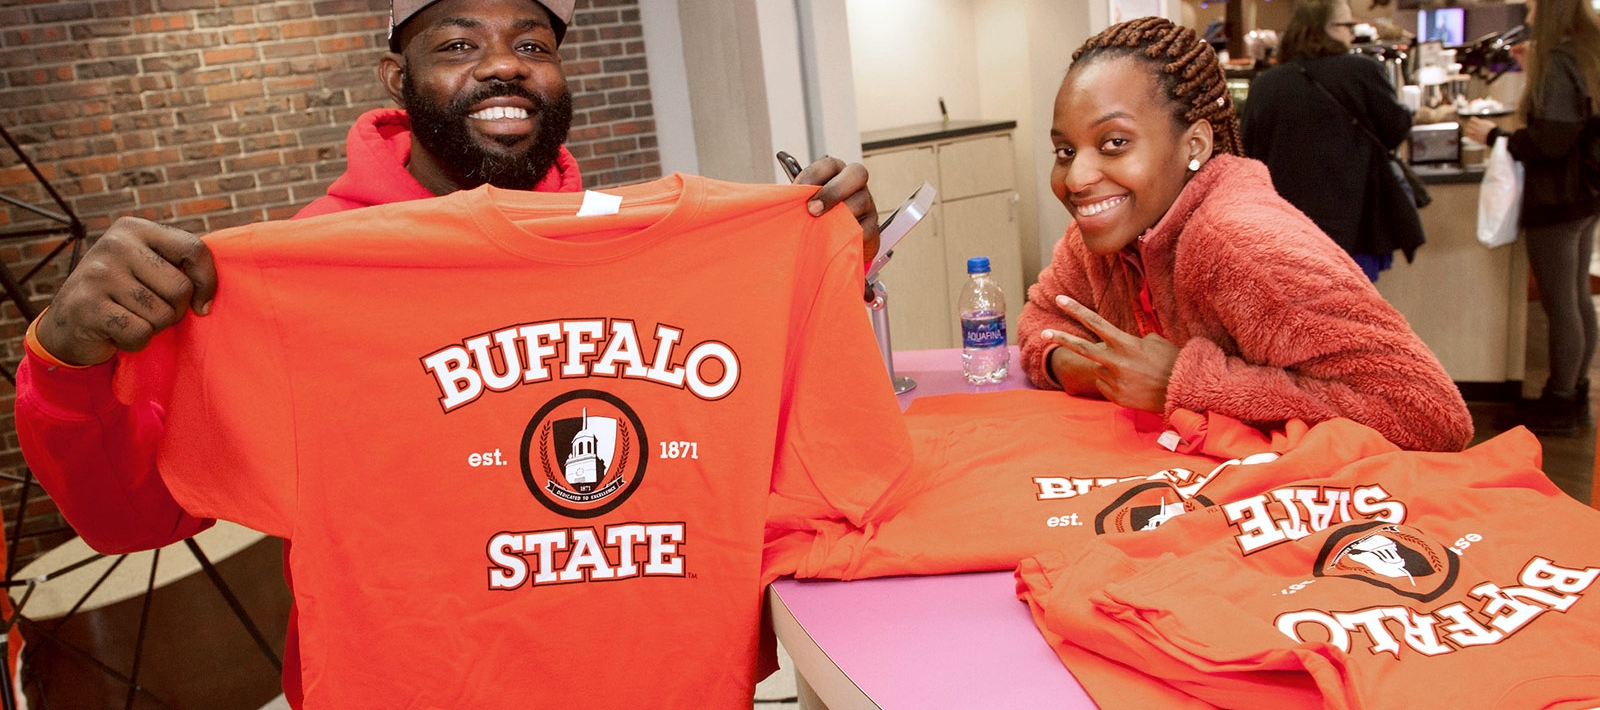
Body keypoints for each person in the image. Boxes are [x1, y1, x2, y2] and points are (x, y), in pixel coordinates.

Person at [14, 0, 883, 703]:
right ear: (399, 77)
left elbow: (804, 452)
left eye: (532, 41)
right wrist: (65, 362)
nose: (504, 64)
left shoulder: (653, 256)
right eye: (459, 41)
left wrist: (823, 267)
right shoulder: (299, 280)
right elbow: (133, 518)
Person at [1016, 16, 1473, 453]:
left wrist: (1182, 383)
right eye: (1065, 150)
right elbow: (1039, 323)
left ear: (1194, 145)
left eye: (1115, 142)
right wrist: (1104, 370)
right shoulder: (1107, 234)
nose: (1076, 178)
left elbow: (1430, 414)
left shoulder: (1243, 245)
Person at [1465, 0, 1600, 436]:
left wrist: (1498, 137)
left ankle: (1559, 402)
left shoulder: (1559, 57)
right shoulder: (1587, 48)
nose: (1526, 16)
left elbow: (1553, 139)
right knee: (1577, 299)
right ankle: (1572, 391)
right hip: (1583, 194)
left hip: (1556, 197)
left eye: (1532, 8)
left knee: (1561, 305)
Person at [1240, 0, 1420, 282]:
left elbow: (1247, 153)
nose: (1352, 33)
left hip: (1285, 230)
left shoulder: (1266, 84)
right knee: (1353, 312)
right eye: (1348, 25)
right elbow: (1395, 129)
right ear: (1327, 29)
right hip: (1354, 224)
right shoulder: (1362, 71)